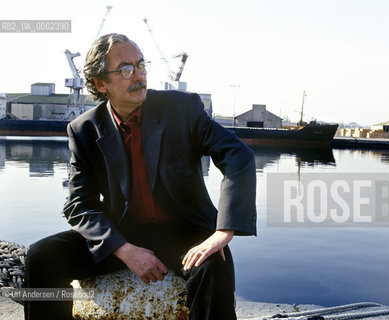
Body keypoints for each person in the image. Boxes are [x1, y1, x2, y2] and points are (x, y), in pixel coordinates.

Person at [23, 33, 257, 320]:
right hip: (122, 233)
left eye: (141, 65)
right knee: (41, 257)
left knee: (214, 266)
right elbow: (79, 205)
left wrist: (223, 231)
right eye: (125, 69)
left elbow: (238, 157)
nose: (138, 75)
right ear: (100, 83)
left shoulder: (182, 109)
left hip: (186, 231)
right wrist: (122, 249)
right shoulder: (84, 129)